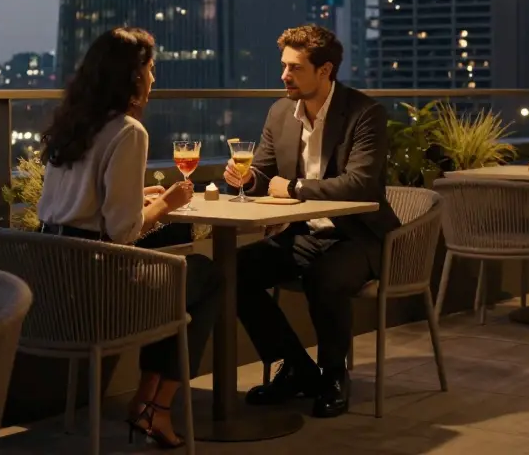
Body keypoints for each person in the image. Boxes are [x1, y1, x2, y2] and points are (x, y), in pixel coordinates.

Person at [37, 27, 220, 450]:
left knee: (173, 269)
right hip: (99, 289)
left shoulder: (73, 126)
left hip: (55, 281)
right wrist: (167, 203)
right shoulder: (128, 131)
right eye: (151, 69)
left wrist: (139, 197)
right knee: (206, 276)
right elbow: (123, 233)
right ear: (133, 76)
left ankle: (146, 399)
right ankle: (156, 407)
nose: (154, 78)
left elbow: (76, 205)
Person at [223, 24, 398, 418]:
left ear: (325, 70)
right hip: (303, 233)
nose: (284, 75)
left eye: (295, 68)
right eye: (284, 65)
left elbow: (360, 184)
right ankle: (296, 368)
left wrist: (295, 188)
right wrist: (247, 179)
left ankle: (334, 375)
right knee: (232, 270)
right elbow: (265, 174)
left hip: (358, 236)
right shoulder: (280, 112)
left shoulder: (364, 113)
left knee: (325, 276)